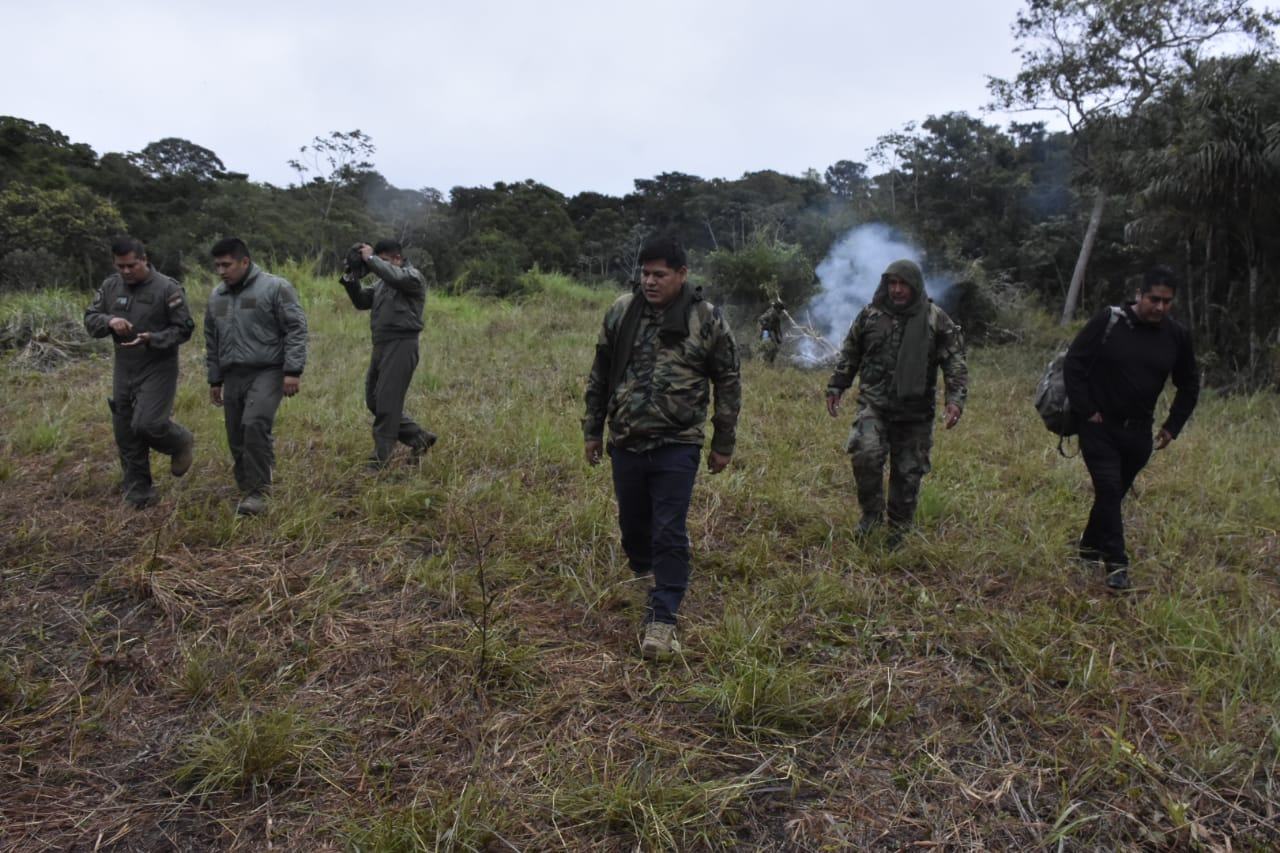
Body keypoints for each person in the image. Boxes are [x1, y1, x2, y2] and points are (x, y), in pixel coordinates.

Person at [583, 235, 741, 660]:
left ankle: (663, 617)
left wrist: (723, 441)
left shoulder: (705, 318)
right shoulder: (621, 310)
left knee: (669, 529)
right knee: (634, 525)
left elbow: (727, 379)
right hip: (628, 439)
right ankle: (643, 570)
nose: (650, 282)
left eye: (660, 274)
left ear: (682, 275)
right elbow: (600, 371)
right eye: (645, 274)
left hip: (679, 442)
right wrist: (593, 429)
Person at [1064, 265, 1199, 590]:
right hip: (1099, 427)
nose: (1161, 307)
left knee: (1113, 496)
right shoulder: (1109, 322)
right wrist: (1086, 409)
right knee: (1109, 489)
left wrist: (1173, 425)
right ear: (1140, 294)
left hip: (1139, 433)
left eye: (1167, 301)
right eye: (1155, 299)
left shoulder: (1176, 336)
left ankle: (1087, 549)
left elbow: (1189, 384)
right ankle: (1116, 565)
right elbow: (1074, 362)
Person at [825, 259, 967, 544]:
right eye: (892, 283)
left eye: (903, 284)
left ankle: (899, 529)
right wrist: (837, 385)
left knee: (908, 472)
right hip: (874, 405)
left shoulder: (935, 318)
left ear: (915, 286)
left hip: (915, 411)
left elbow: (955, 363)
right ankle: (870, 517)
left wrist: (955, 399)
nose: (897, 290)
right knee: (865, 455)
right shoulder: (870, 316)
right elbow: (850, 353)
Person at [83, 237, 196, 508]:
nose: (126, 271)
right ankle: (139, 493)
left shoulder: (167, 288)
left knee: (147, 424)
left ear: (144, 259)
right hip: (124, 366)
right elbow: (90, 318)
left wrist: (152, 338)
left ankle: (179, 441)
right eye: (120, 266)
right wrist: (109, 320)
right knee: (125, 430)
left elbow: (184, 329)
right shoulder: (110, 286)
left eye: (131, 265)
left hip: (158, 365)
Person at [204, 237, 308, 515]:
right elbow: (211, 338)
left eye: (227, 265)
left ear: (245, 262)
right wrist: (215, 379)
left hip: (268, 370)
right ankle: (246, 482)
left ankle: (258, 491)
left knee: (254, 424)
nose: (222, 271)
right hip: (232, 373)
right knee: (236, 433)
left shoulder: (276, 287)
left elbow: (295, 328)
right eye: (217, 266)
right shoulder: (218, 296)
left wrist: (292, 371)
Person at [339, 240, 436, 467]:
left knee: (387, 401)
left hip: (402, 344)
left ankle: (381, 457)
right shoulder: (383, 285)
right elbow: (362, 301)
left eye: (382, 262)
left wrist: (371, 259)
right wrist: (351, 277)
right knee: (374, 400)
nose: (376, 267)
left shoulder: (412, 277)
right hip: (381, 345)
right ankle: (419, 437)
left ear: (397, 259)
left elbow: (393, 276)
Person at [757, 298, 785, 365]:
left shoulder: (776, 316)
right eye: (780, 309)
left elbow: (777, 328)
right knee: (767, 347)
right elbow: (761, 319)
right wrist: (765, 327)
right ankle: (763, 363)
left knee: (774, 348)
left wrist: (779, 338)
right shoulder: (771, 313)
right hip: (766, 332)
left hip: (768, 332)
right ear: (777, 308)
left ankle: (769, 363)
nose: (781, 311)